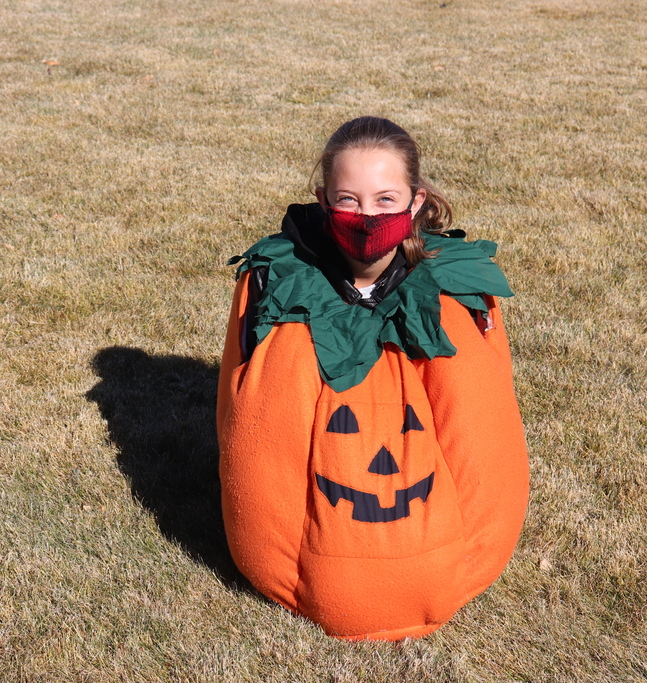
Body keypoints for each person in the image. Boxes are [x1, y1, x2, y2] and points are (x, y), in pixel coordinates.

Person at [216, 116, 529, 641]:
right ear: (322, 201)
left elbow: (482, 435)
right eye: (348, 200)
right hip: (296, 568)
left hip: (453, 560)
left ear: (416, 202)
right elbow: (248, 422)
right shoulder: (271, 282)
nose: (365, 218)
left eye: (385, 200)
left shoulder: (459, 296)